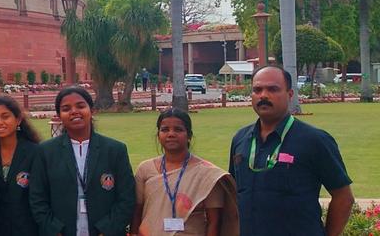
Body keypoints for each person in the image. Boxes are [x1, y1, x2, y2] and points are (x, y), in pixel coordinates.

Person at [229, 66, 353, 236]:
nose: (263, 95)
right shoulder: (240, 140)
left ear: (290, 94)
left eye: (273, 89)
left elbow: (343, 197)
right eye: (257, 90)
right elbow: (234, 194)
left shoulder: (314, 140)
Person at [29, 87, 134, 236]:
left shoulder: (115, 150)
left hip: (103, 230)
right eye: (66, 108)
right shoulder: (45, 151)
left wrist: (107, 230)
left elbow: (127, 197)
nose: (74, 111)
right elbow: (37, 198)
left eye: (80, 106)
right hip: (62, 230)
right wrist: (54, 230)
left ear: (92, 110)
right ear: (59, 115)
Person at [131, 108, 237, 236]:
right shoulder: (145, 169)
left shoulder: (207, 174)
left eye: (178, 129)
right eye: (165, 129)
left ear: (189, 136)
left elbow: (214, 221)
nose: (171, 134)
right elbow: (136, 213)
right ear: (158, 135)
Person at [0, 95, 42, 236]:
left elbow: (40, 197)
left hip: (27, 228)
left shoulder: (35, 152)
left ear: (18, 120)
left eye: (5, 116)